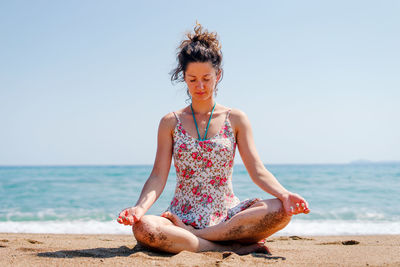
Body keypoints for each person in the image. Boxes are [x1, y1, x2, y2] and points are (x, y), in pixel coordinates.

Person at [117, 22, 310, 255]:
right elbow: (158, 176)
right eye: (192, 79)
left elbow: (257, 170)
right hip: (180, 215)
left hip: (228, 218)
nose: (200, 86)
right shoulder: (170, 122)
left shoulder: (236, 118)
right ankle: (231, 247)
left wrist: (285, 194)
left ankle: (197, 237)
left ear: (218, 75)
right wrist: (139, 208)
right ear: (184, 78)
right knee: (145, 227)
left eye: (206, 78)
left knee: (281, 209)